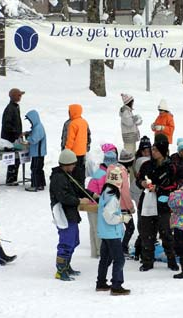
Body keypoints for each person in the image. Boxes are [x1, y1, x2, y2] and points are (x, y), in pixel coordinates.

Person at [49, 149, 96, 281]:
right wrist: (79, 201)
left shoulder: (67, 175)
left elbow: (78, 189)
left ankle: (67, 265)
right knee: (66, 241)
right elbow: (63, 197)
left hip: (71, 213)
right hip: (63, 214)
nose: (74, 166)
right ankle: (61, 270)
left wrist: (91, 195)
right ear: (66, 164)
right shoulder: (58, 178)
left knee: (74, 240)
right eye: (73, 164)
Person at [136, 134, 178, 272]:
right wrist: (142, 183)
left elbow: (173, 186)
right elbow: (138, 180)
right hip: (147, 202)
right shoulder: (146, 165)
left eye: (156, 150)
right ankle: (147, 261)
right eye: (152, 149)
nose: (152, 152)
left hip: (163, 204)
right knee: (147, 233)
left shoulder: (170, 167)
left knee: (166, 233)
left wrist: (158, 189)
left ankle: (171, 260)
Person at [95, 166, 131, 295]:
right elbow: (109, 216)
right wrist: (122, 218)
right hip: (112, 232)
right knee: (119, 259)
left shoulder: (106, 192)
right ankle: (116, 285)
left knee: (105, 258)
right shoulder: (113, 197)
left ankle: (101, 282)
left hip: (105, 232)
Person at [1, 88, 24, 185]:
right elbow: (7, 125)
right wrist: (16, 133)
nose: (20, 97)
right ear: (14, 96)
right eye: (19, 95)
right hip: (10, 140)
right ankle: (10, 179)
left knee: (17, 159)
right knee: (13, 160)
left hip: (15, 139)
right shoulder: (10, 108)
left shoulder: (15, 107)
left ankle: (13, 178)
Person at [64, 104, 90, 186]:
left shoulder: (73, 124)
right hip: (82, 151)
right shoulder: (84, 122)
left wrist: (66, 150)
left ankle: (75, 188)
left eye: (70, 111)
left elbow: (70, 139)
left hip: (74, 153)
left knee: (74, 173)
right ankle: (81, 186)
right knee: (81, 171)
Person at [24, 110, 47, 192]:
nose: (30, 122)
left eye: (30, 120)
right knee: (39, 169)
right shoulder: (37, 127)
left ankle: (35, 185)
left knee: (35, 168)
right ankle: (40, 184)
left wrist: (27, 138)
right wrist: (28, 133)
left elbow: (34, 140)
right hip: (38, 153)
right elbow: (34, 134)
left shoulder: (38, 128)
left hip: (38, 153)